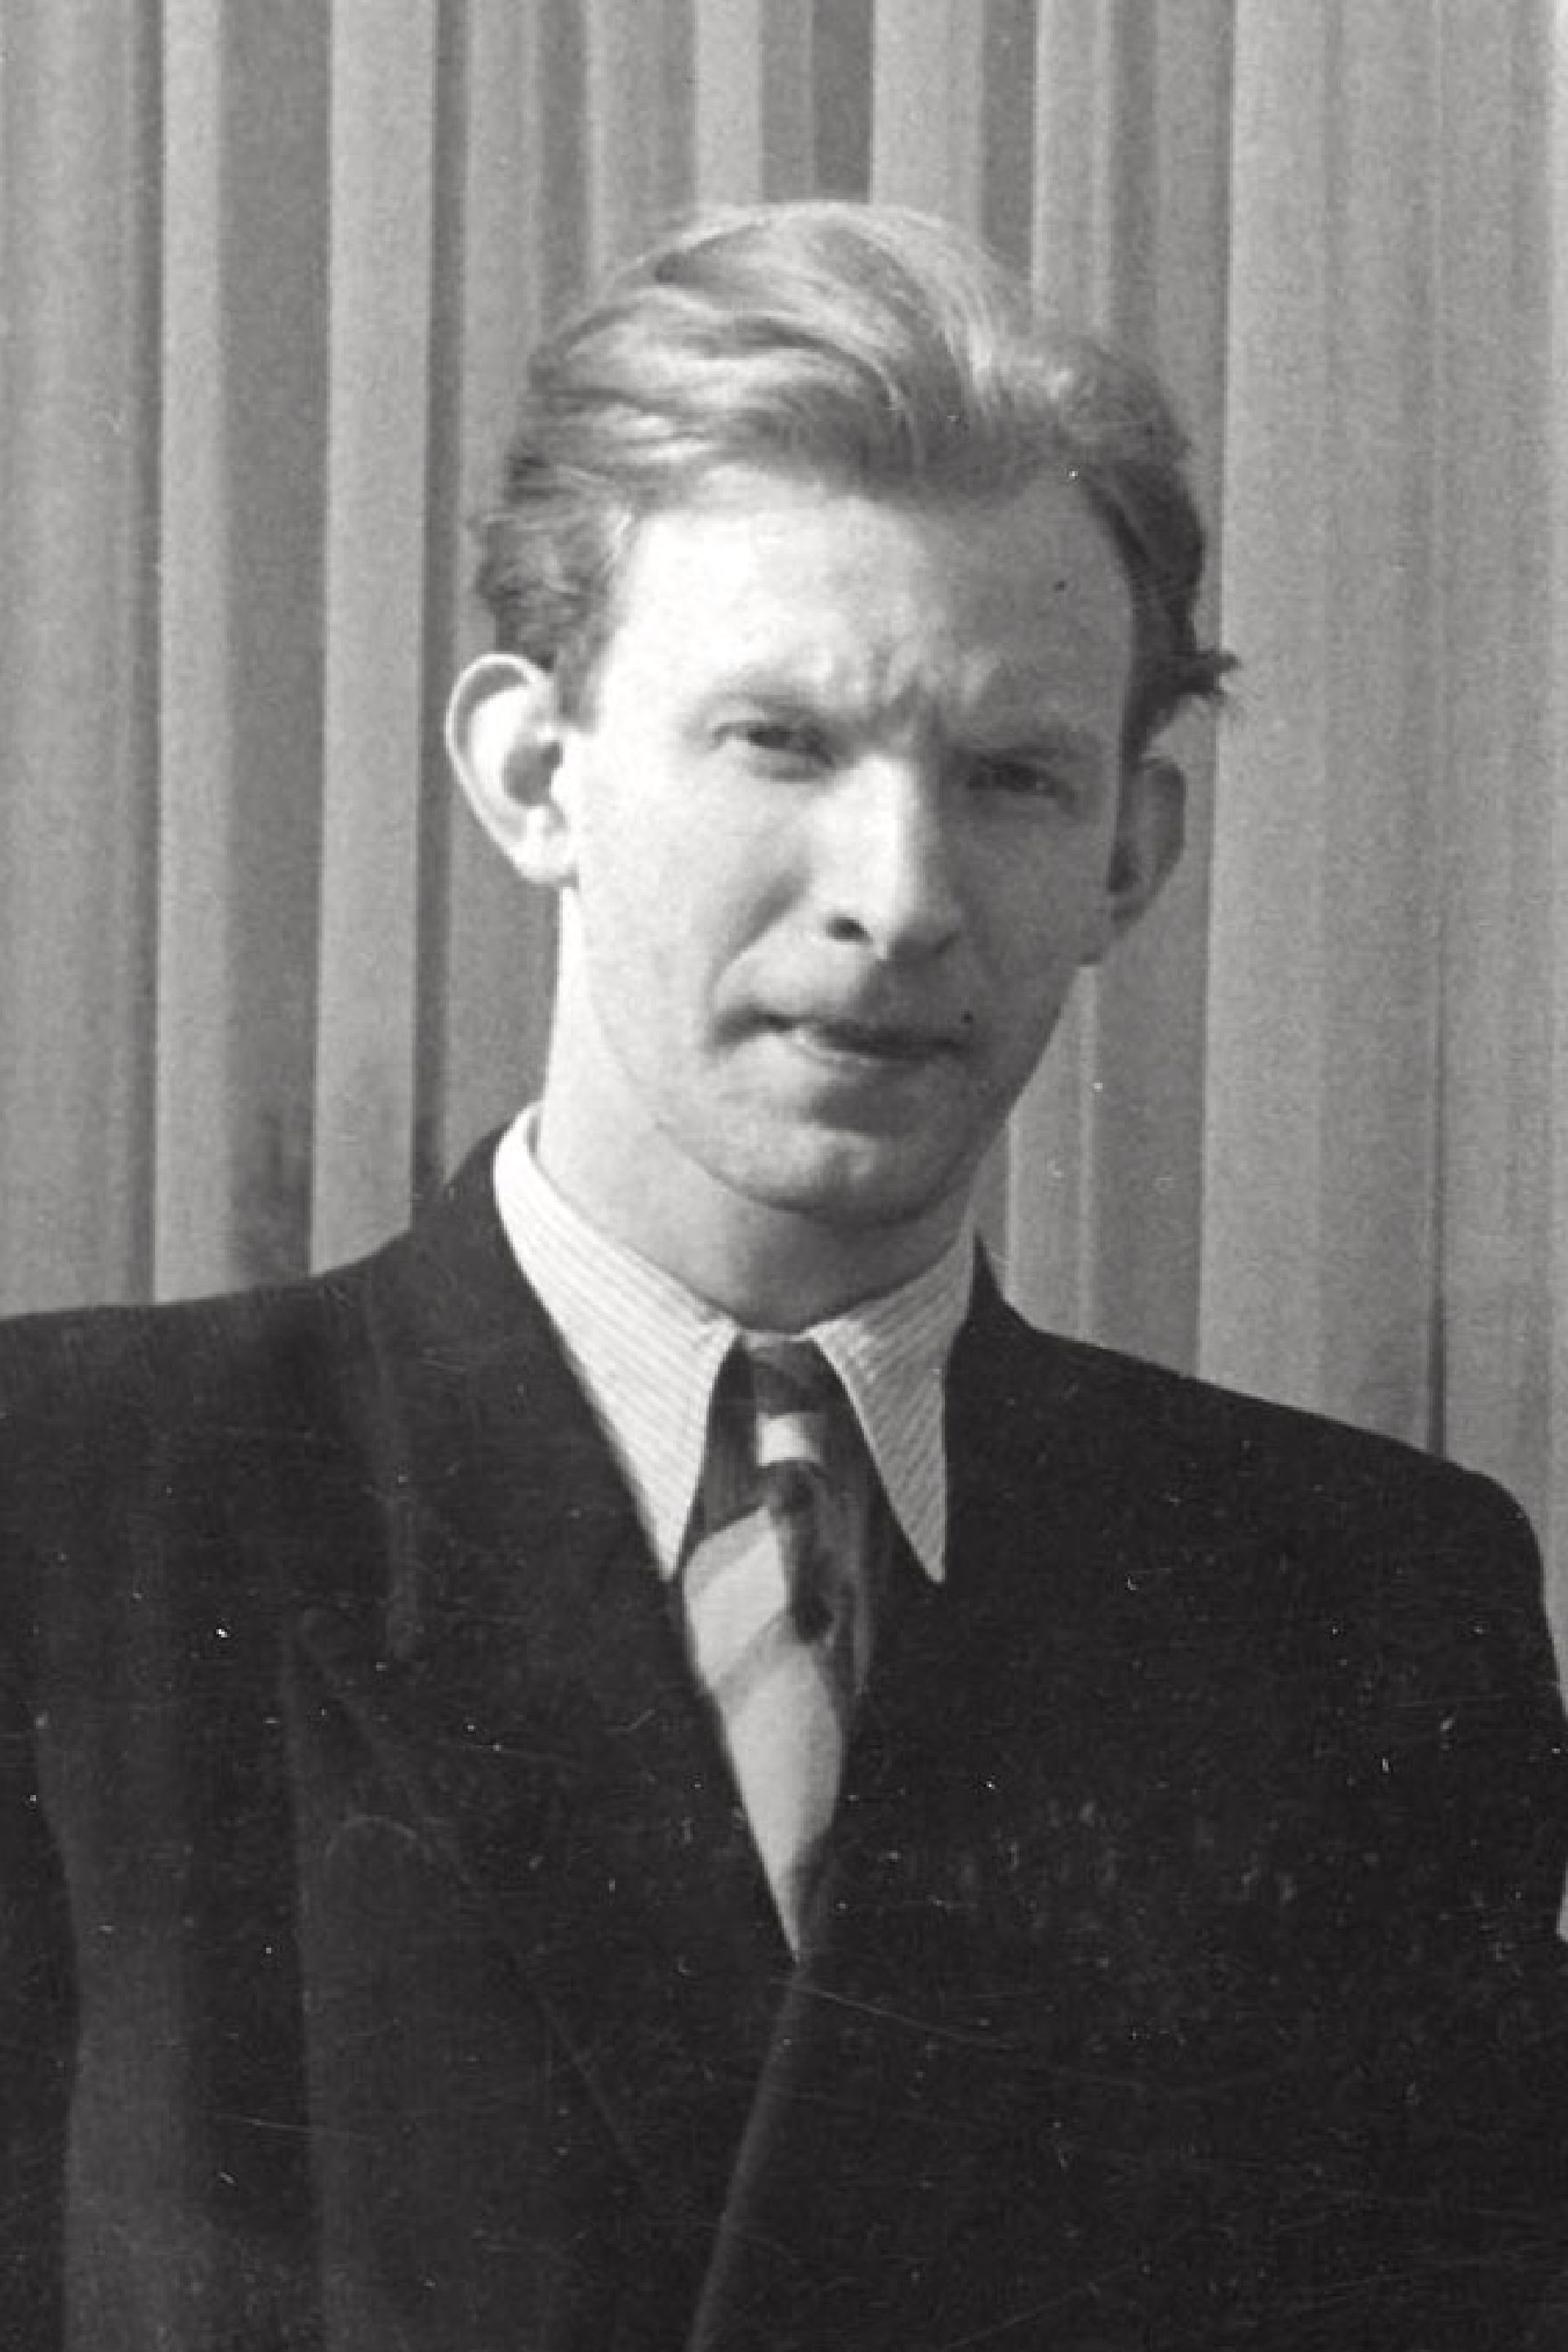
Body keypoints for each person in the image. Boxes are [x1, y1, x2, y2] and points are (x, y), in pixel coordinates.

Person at [2, 200, 1566, 2351]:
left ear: (1131, 855)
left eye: (1011, 777)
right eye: (783, 742)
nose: (898, 896)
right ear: (534, 774)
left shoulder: (1359, 1616)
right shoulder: (71, 1513)